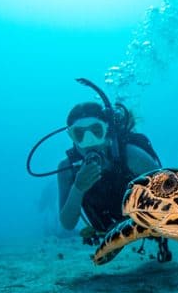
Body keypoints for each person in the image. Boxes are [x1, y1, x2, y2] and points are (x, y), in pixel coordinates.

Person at [56, 102, 169, 259]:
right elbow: (68, 224)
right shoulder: (67, 169)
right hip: (106, 228)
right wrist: (78, 188)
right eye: (79, 134)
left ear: (107, 131)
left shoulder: (131, 156)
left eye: (96, 131)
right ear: (71, 137)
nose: (89, 141)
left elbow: (170, 195)